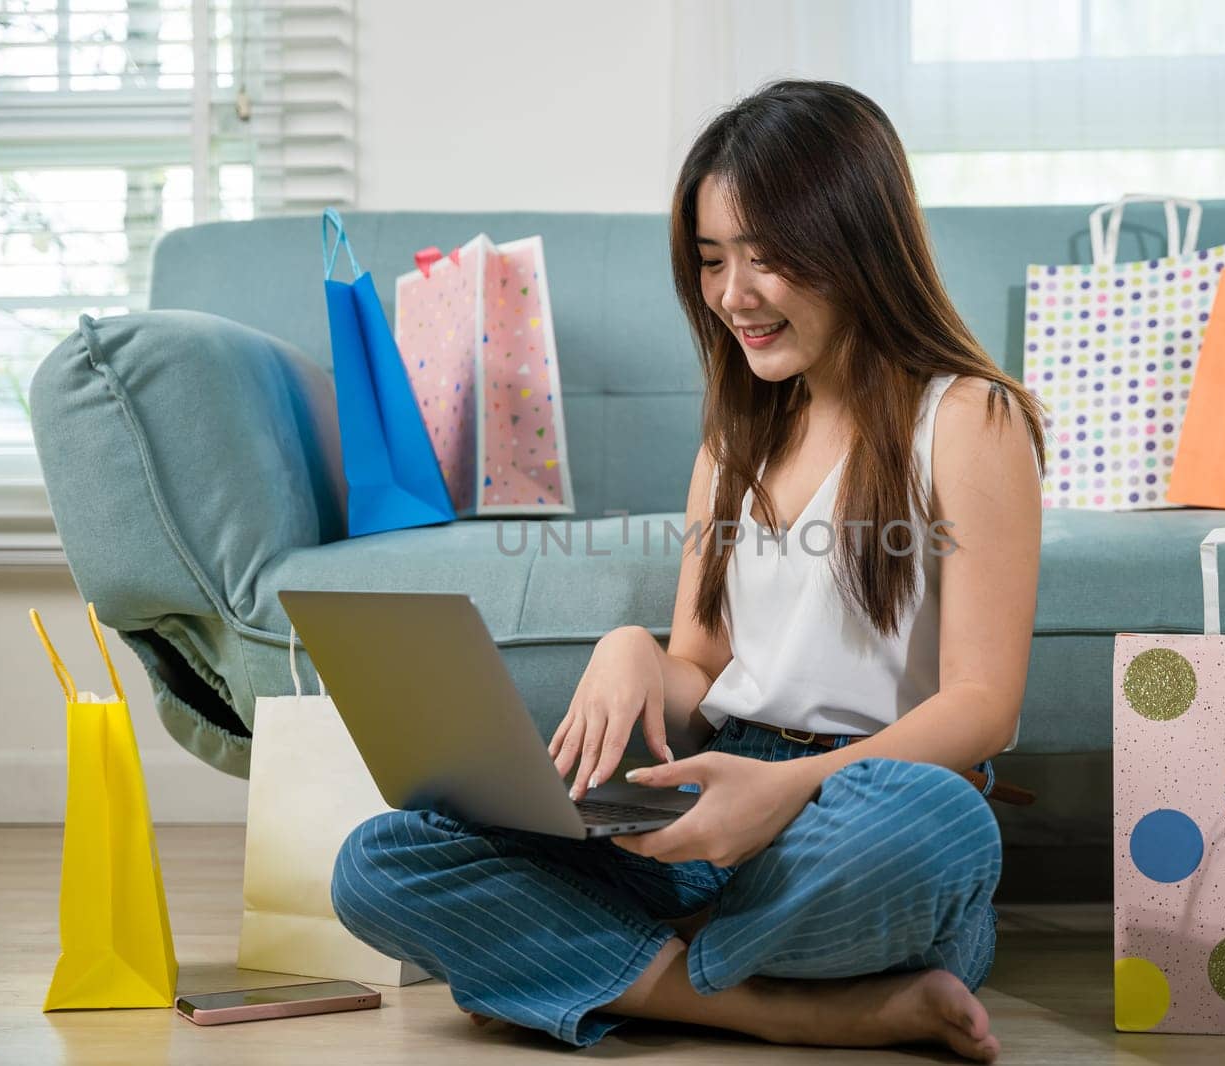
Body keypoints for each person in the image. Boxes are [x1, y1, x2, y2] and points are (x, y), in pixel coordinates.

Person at [330, 78, 1044, 1063]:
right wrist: (636, 651)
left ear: (859, 244)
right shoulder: (737, 433)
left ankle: (604, 973)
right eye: (712, 261)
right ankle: (784, 1006)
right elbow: (702, 667)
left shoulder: (969, 419)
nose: (732, 296)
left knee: (936, 829)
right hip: (708, 801)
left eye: (769, 259)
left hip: (865, 801)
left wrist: (786, 791)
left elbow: (983, 704)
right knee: (381, 861)